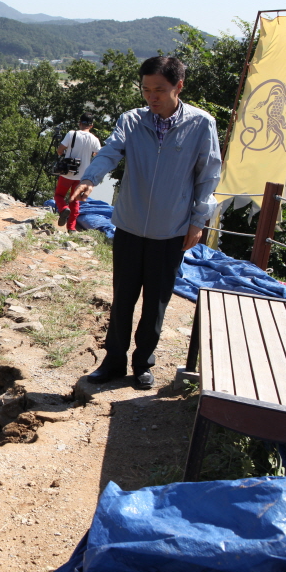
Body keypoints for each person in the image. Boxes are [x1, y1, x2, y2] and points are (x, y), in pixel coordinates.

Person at [68, 56, 222, 389]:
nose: (152, 97)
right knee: (122, 297)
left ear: (178, 87)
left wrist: (198, 221)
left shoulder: (200, 124)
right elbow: (110, 151)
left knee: (156, 300)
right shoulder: (132, 120)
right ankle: (112, 362)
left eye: (160, 90)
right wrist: (90, 178)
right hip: (130, 224)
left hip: (171, 229)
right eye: (146, 90)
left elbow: (208, 175)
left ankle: (143, 364)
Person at [55, 114, 101, 232]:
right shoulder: (94, 139)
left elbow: (60, 150)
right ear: (91, 125)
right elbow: (98, 155)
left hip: (67, 173)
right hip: (83, 177)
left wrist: (61, 152)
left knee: (59, 195)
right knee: (75, 200)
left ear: (80, 123)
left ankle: (64, 208)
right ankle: (71, 228)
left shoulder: (72, 134)